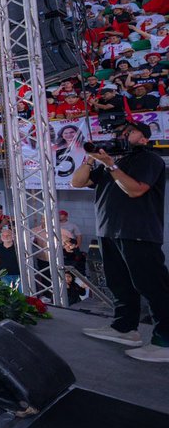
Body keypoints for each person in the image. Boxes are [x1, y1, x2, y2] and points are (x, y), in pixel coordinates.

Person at [71, 121, 169, 362]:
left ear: (144, 139)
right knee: (119, 283)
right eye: (118, 132)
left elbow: (135, 190)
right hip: (109, 231)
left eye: (128, 132)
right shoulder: (111, 163)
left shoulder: (149, 159)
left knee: (152, 286)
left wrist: (111, 165)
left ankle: (165, 340)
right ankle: (125, 328)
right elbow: (77, 182)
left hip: (138, 232)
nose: (120, 135)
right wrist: (91, 159)